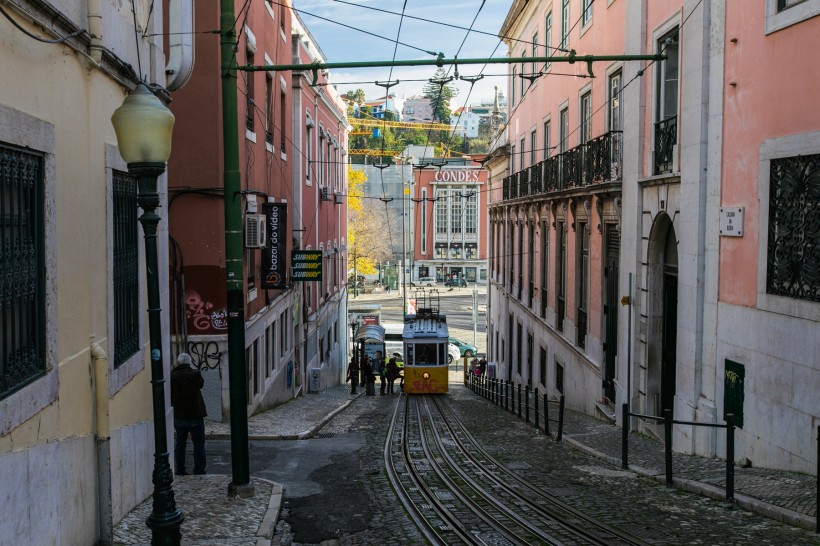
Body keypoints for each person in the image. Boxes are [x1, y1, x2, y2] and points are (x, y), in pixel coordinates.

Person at [171, 353, 207, 476]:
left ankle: (180, 470)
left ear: (178, 363)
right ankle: (199, 470)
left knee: (180, 444)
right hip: (195, 415)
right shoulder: (195, 374)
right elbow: (201, 384)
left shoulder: (173, 376)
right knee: (199, 443)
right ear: (189, 362)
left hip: (179, 416)